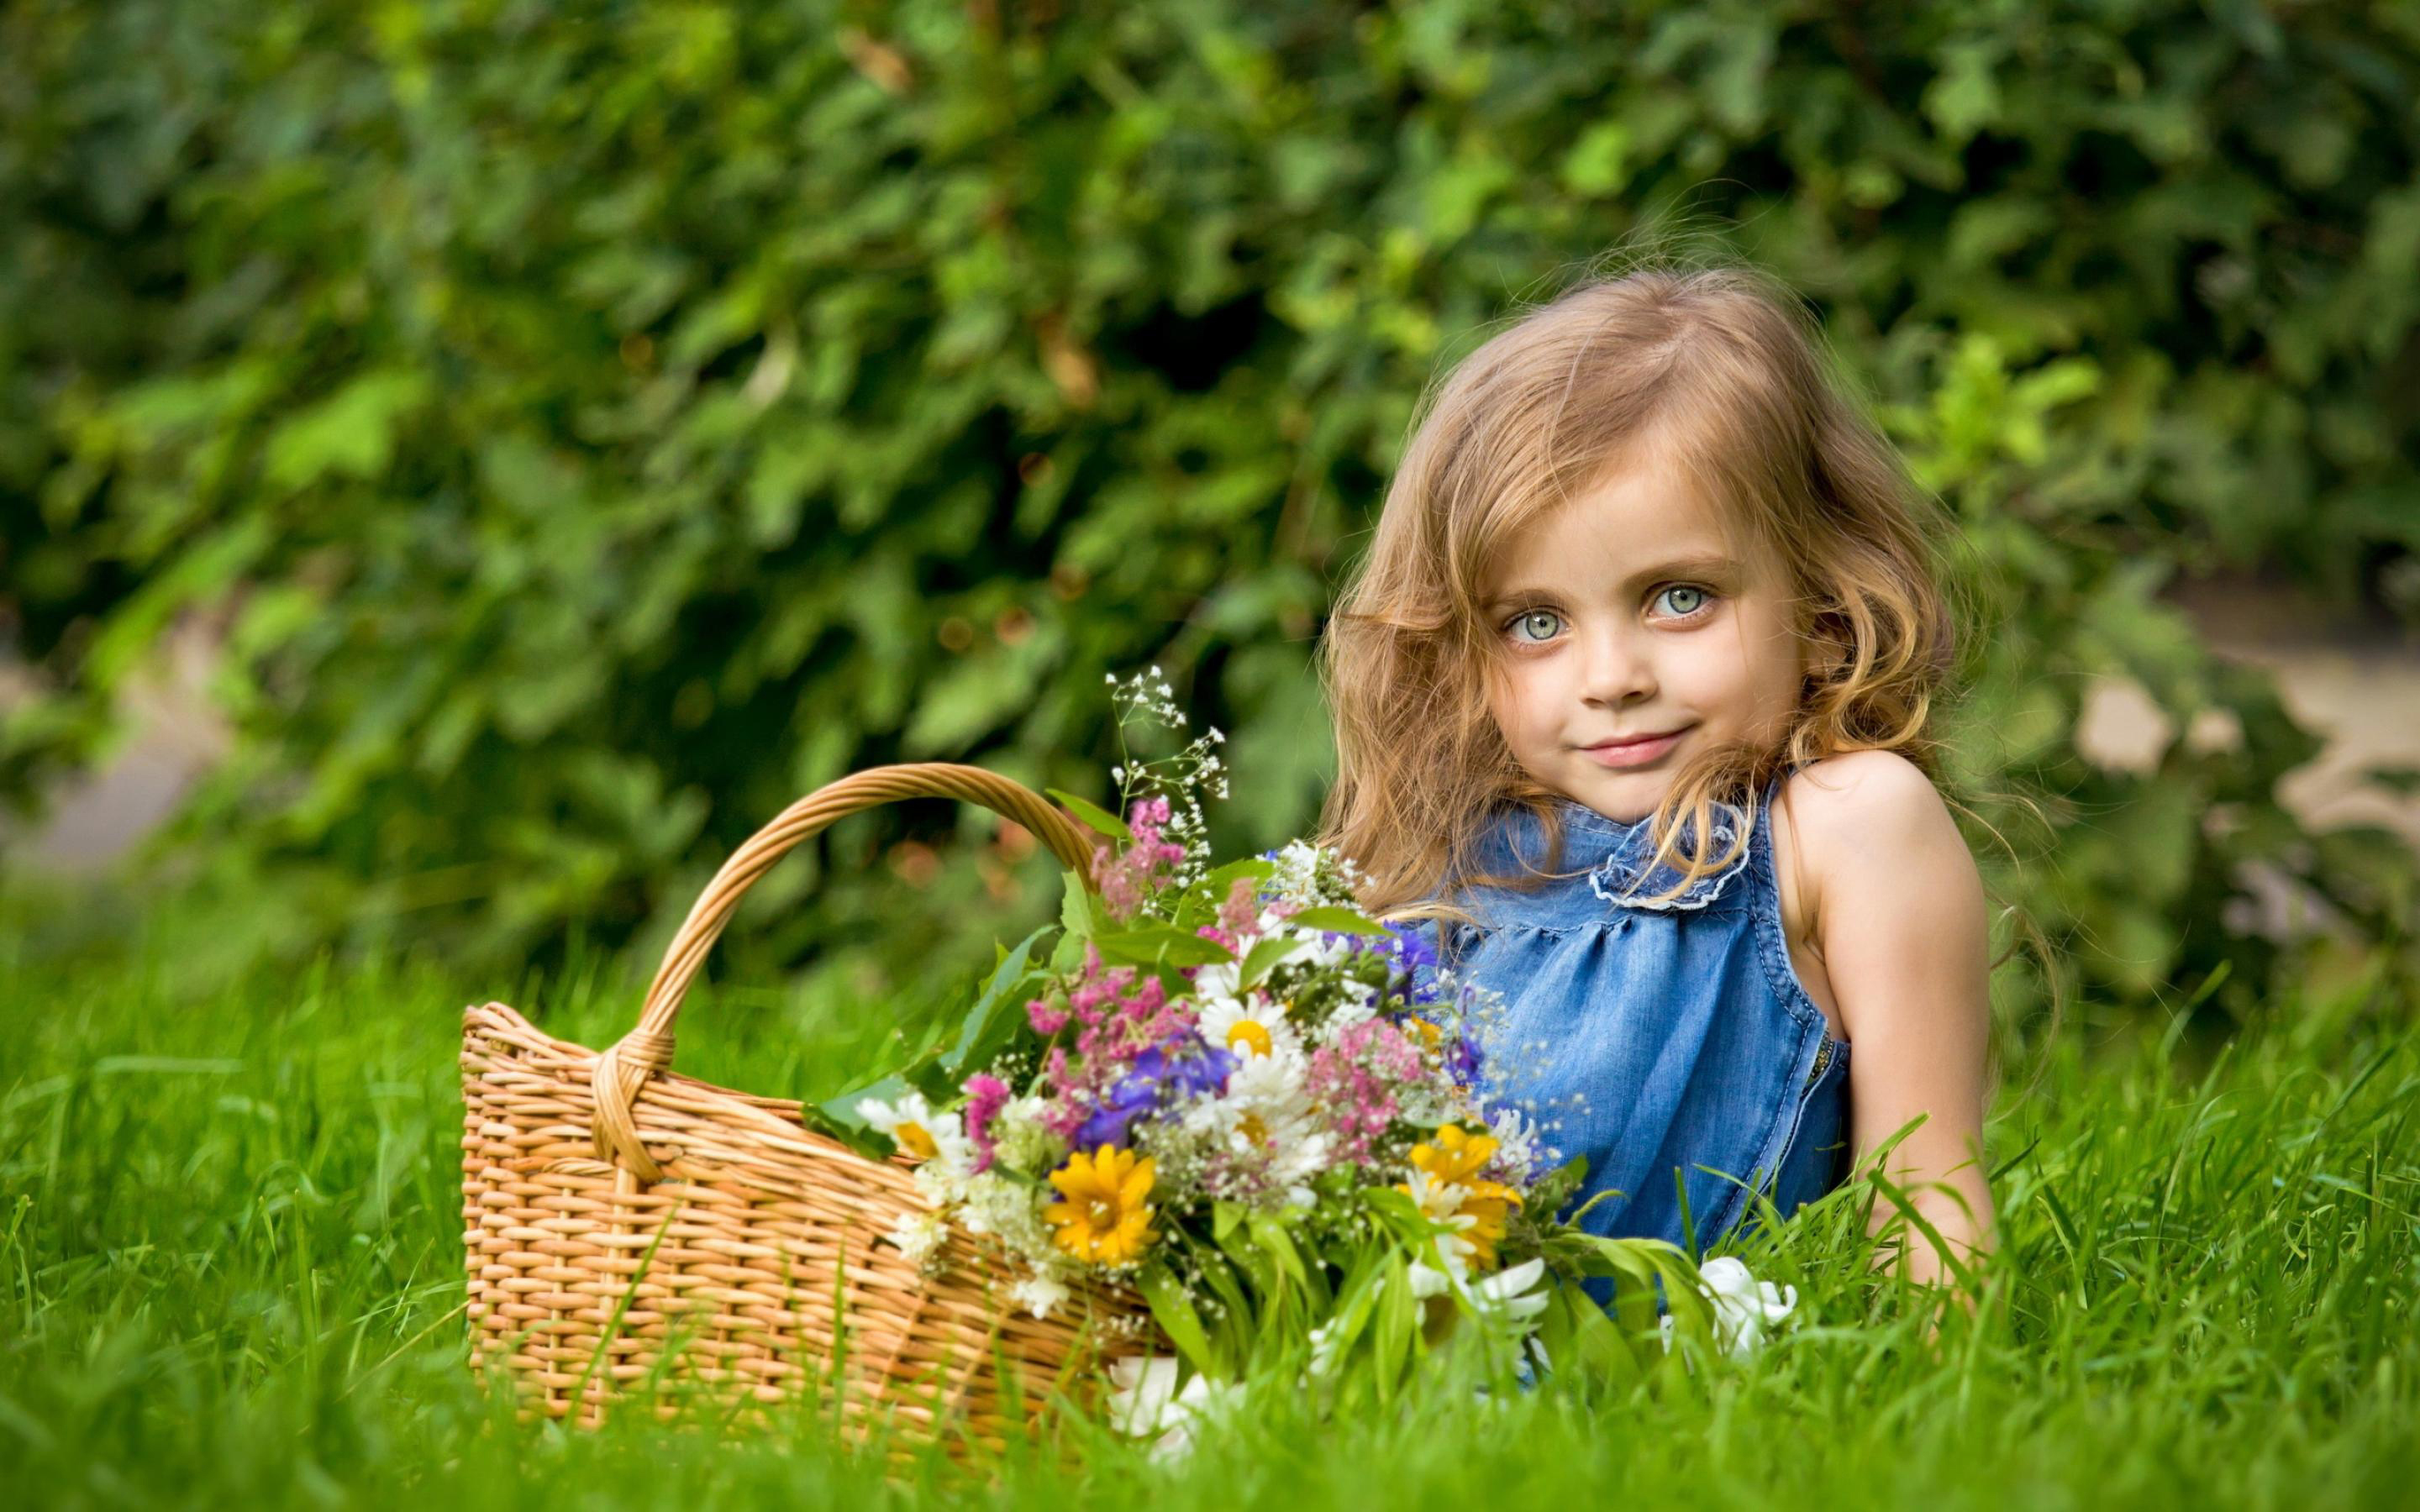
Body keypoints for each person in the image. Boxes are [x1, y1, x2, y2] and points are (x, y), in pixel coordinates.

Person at [1317, 260, 1999, 1295]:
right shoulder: (1453, 859)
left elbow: (1925, 1195)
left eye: (1680, 598)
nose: (1612, 680)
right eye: (1536, 623)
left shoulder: (1842, 830)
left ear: (1821, 605)